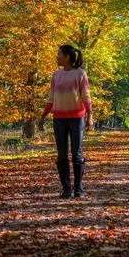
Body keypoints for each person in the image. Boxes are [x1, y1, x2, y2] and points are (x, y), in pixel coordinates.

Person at [38, 45, 93, 199]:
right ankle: (66, 188)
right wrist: (42, 116)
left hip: (77, 119)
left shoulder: (80, 74)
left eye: (59, 54)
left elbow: (86, 95)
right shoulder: (56, 75)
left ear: (67, 57)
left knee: (77, 154)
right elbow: (51, 99)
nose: (57, 57)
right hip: (59, 119)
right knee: (62, 155)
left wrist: (90, 115)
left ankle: (78, 188)